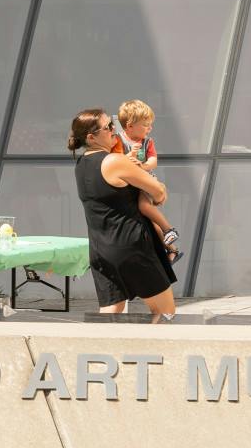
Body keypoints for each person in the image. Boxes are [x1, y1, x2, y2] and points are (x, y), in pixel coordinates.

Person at [69, 109, 176, 319]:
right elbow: (158, 192)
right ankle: (154, 351)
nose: (113, 130)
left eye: (113, 125)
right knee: (165, 313)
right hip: (132, 247)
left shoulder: (81, 165)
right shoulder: (114, 161)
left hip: (101, 251)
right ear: (91, 137)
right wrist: (159, 188)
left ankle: (99, 351)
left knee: (110, 313)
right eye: (108, 127)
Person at [115, 98, 181, 260]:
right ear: (130, 126)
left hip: (145, 181)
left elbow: (153, 161)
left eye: (150, 124)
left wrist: (142, 166)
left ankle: (168, 229)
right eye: (146, 125)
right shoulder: (118, 140)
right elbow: (117, 160)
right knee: (149, 222)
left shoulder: (147, 142)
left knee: (144, 206)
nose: (150, 128)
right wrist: (129, 156)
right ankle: (171, 249)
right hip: (130, 186)